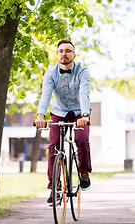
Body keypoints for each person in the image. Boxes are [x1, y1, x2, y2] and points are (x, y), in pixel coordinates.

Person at [34, 39, 92, 206]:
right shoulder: (51, 72)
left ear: (74, 54)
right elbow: (46, 94)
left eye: (68, 51)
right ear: (57, 54)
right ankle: (54, 187)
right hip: (58, 112)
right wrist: (40, 116)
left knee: (81, 140)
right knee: (54, 147)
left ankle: (84, 173)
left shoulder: (83, 71)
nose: (64, 54)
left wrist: (85, 116)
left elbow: (84, 93)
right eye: (61, 51)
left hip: (80, 113)